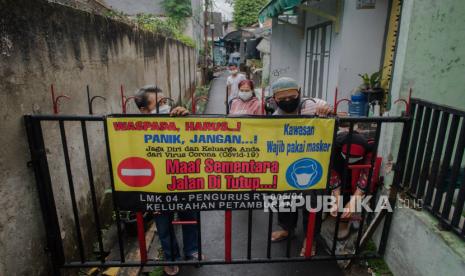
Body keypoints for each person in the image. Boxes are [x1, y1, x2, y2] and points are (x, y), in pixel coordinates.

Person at [134, 85, 197, 276]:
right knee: (163, 224)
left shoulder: (176, 119)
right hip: (157, 186)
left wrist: (186, 119)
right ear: (144, 110)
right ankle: (171, 258)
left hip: (183, 180)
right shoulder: (135, 129)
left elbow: (195, 141)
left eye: (165, 101)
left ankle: (192, 251)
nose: (165, 106)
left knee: (191, 217)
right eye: (158, 103)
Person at [269, 77, 332, 256]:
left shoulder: (314, 105)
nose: (288, 100)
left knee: (312, 202)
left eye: (292, 95)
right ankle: (287, 229)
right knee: (284, 198)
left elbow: (337, 123)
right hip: (287, 161)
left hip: (313, 162)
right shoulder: (275, 115)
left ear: (299, 92)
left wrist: (327, 113)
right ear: (274, 98)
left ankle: (310, 238)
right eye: (282, 98)